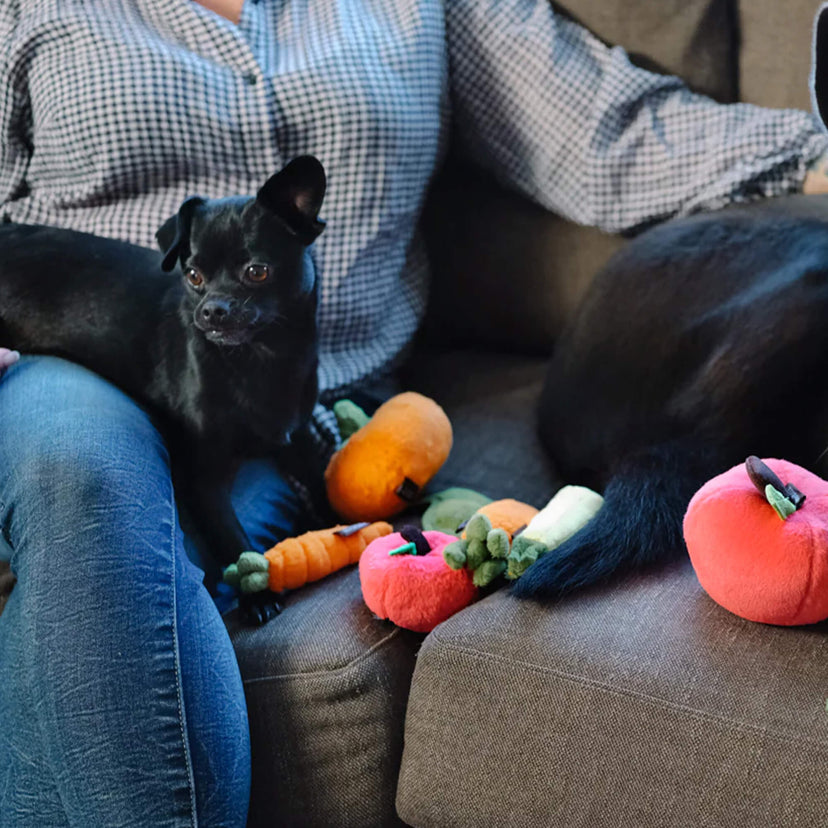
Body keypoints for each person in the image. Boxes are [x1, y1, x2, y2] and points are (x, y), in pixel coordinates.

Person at [2, 0, 828, 824]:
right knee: (84, 483)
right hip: (74, 363)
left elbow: (611, 132)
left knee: (164, 578)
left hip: (302, 418)